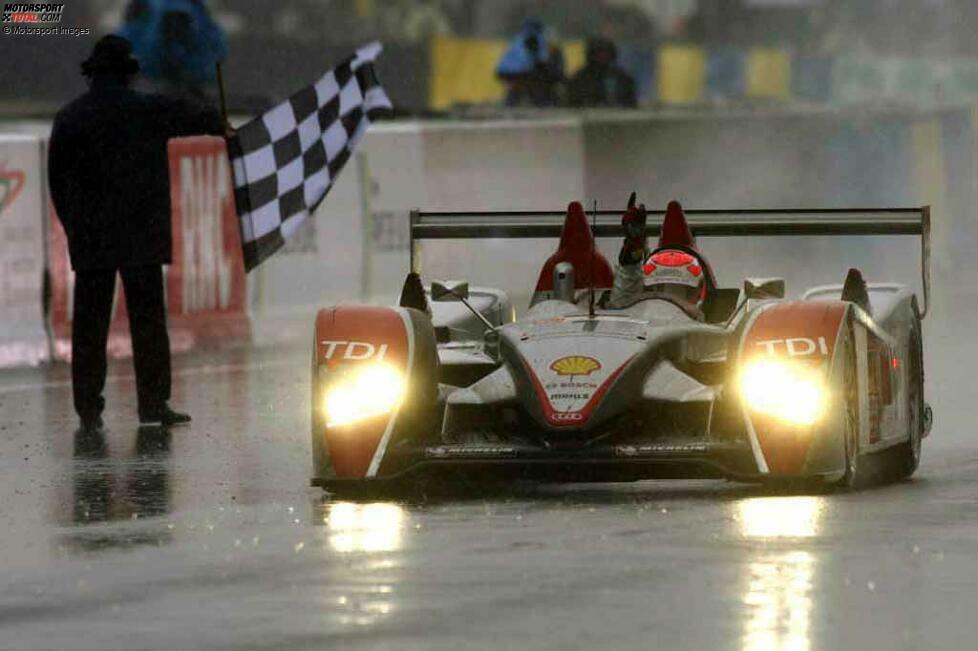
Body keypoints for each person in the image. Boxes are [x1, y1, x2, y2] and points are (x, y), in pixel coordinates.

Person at [48, 35, 225, 433]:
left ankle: (88, 407)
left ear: (91, 74)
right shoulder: (148, 110)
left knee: (89, 325)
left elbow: (56, 181)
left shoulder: (70, 118)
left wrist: (76, 227)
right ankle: (153, 403)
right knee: (148, 322)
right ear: (129, 74)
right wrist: (219, 122)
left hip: (92, 237)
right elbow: (199, 116)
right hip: (141, 235)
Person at [609, 194, 710, 316]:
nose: (669, 301)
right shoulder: (637, 315)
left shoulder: (714, 329)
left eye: (683, 291)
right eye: (661, 288)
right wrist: (633, 248)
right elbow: (622, 303)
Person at [496, 18, 565, 107]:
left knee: (520, 85)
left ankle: (511, 102)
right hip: (520, 71)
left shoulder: (518, 38)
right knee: (534, 81)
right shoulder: (537, 38)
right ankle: (541, 101)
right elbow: (541, 60)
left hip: (503, 71)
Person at [566, 37, 637, 108]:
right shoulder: (579, 79)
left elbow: (631, 105)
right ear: (591, 54)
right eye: (599, 53)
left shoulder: (623, 78)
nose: (603, 56)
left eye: (607, 52)